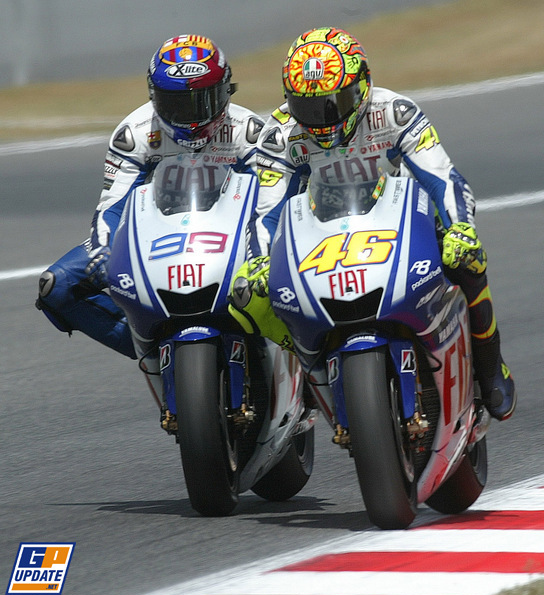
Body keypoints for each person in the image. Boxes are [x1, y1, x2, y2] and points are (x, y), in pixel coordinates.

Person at [229, 26, 516, 421]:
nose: (322, 119)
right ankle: (309, 367)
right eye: (307, 107)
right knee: (251, 293)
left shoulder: (394, 113)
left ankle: (490, 366)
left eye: (335, 103)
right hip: (321, 235)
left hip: (404, 224)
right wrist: (259, 259)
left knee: (467, 260)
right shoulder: (280, 136)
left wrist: (459, 227)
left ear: (362, 86)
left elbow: (442, 177)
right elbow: (266, 209)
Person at [36, 34, 264, 403]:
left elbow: (273, 199)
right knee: (57, 287)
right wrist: (104, 249)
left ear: (225, 92)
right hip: (157, 234)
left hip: (234, 234)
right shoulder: (136, 134)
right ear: (153, 96)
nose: (191, 115)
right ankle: (152, 343)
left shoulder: (248, 131)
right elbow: (112, 205)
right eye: (176, 103)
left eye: (203, 100)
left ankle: (294, 360)